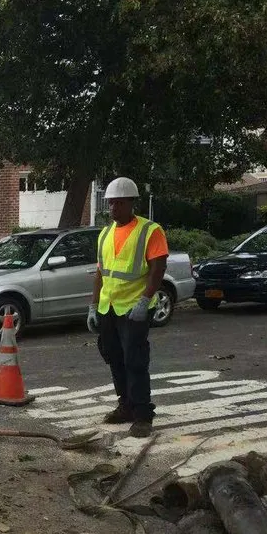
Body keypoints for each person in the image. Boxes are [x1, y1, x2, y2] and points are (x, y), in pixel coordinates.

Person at [86, 177, 169, 438]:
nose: (113, 209)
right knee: (113, 356)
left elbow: (158, 268)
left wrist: (145, 301)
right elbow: (101, 273)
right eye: (110, 204)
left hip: (134, 308)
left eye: (119, 203)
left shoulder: (150, 230)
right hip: (109, 307)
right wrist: (92, 305)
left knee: (135, 360)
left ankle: (143, 414)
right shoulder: (105, 233)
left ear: (132, 203)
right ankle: (126, 405)